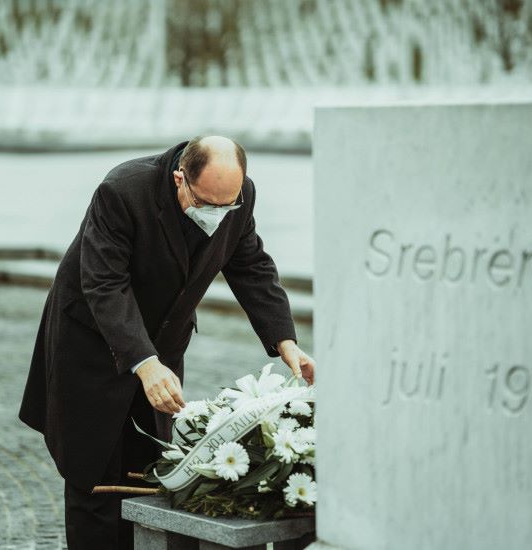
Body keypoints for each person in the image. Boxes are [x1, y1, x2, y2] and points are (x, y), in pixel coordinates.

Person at [18, 136, 316, 549]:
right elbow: (105, 284)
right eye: (206, 203)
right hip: (92, 342)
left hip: (164, 343)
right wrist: (144, 362)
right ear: (180, 177)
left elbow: (251, 265)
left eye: (225, 205)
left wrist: (286, 342)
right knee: (94, 475)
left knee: (150, 467)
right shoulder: (122, 190)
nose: (217, 214)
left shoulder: (236, 194)